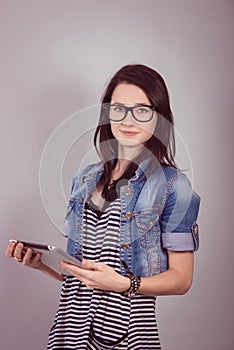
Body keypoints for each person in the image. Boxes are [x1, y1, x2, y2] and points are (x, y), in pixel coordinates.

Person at [5, 64, 200, 350]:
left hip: (127, 337)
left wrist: (126, 284)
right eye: (118, 108)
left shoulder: (172, 186)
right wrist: (42, 264)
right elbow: (82, 274)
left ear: (159, 118)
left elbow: (182, 280)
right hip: (70, 333)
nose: (128, 120)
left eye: (142, 110)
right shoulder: (85, 178)